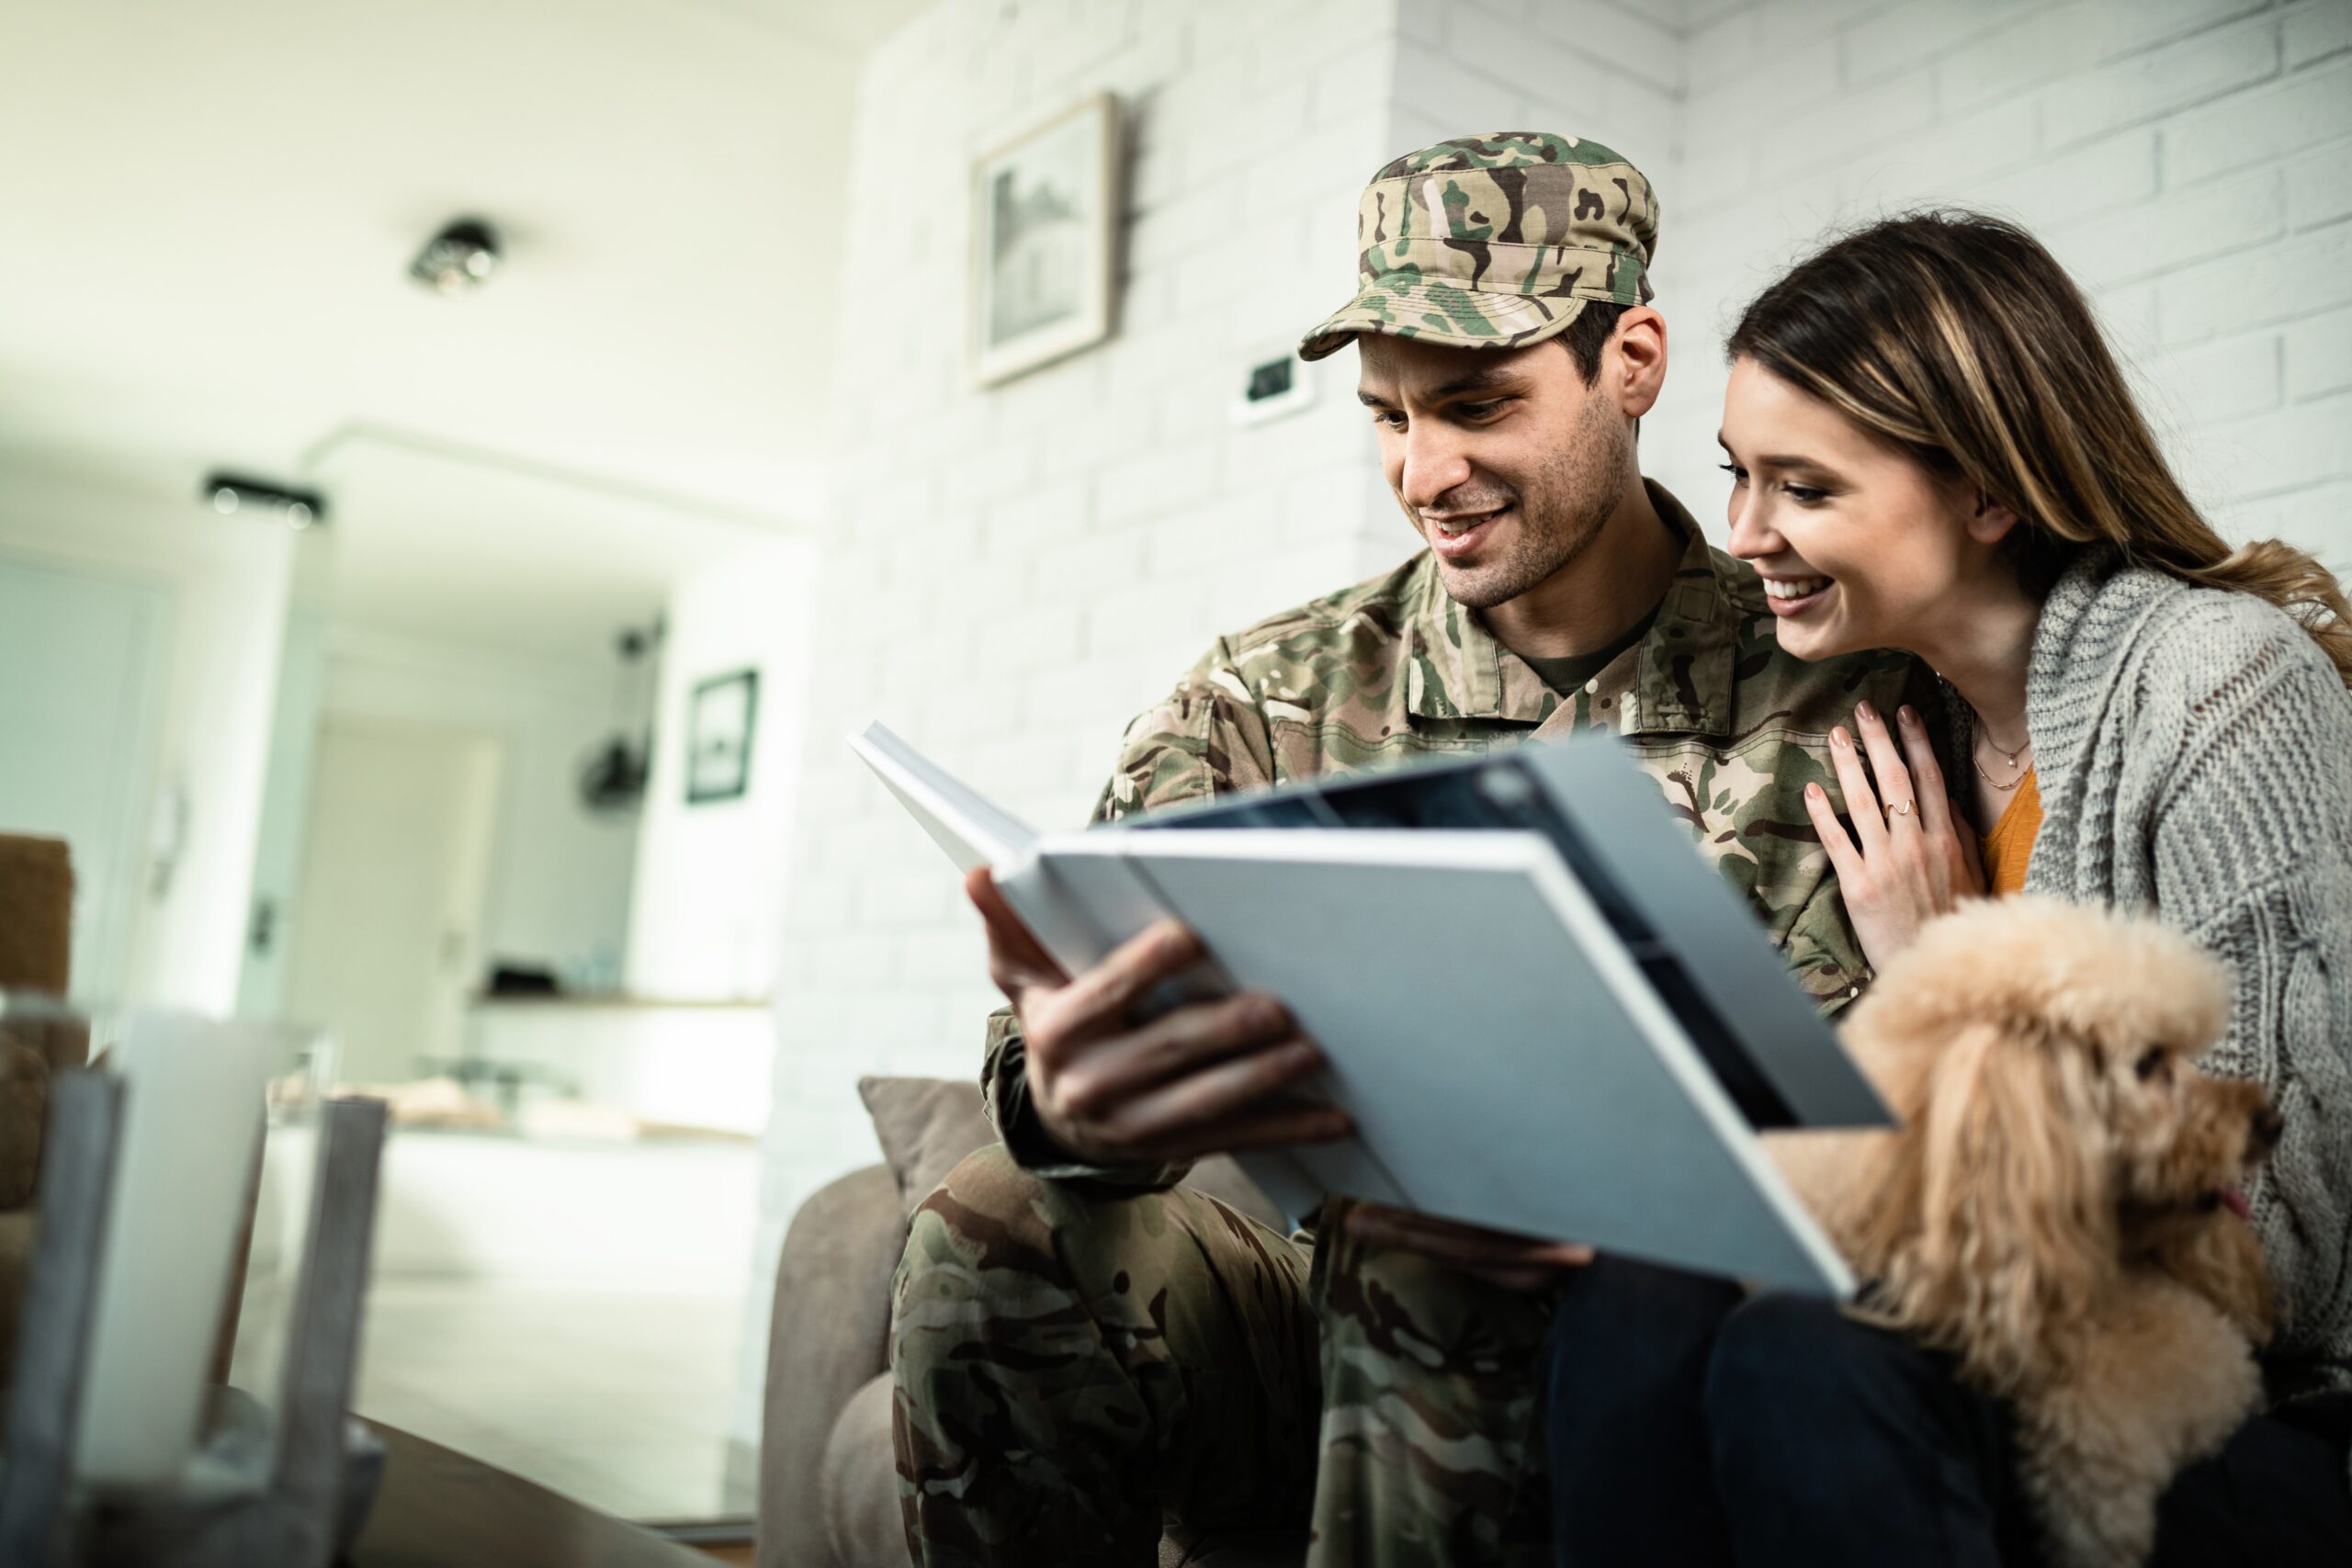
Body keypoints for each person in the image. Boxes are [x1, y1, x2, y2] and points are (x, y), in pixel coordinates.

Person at [888, 131, 1939, 1568]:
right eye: (1386, 414)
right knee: (990, 1224)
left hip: (1650, 1346)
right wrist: (1073, 1107)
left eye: (1477, 403)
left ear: (1632, 362)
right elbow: (1049, 1052)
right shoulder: (1268, 695)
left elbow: (1914, 1130)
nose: (1424, 470)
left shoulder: (1842, 687)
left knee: (1434, 1241)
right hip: (1311, 1335)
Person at [1543, 209, 2352, 1566]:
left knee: (1813, 1358)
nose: (1743, 534)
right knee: (1644, 1293)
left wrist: (1949, 970)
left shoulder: (2219, 685)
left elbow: (2277, 1247)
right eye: (1739, 476)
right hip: (1993, 1353)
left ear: (1987, 491)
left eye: (1804, 488)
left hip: (2265, 1417)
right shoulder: (1887, 732)